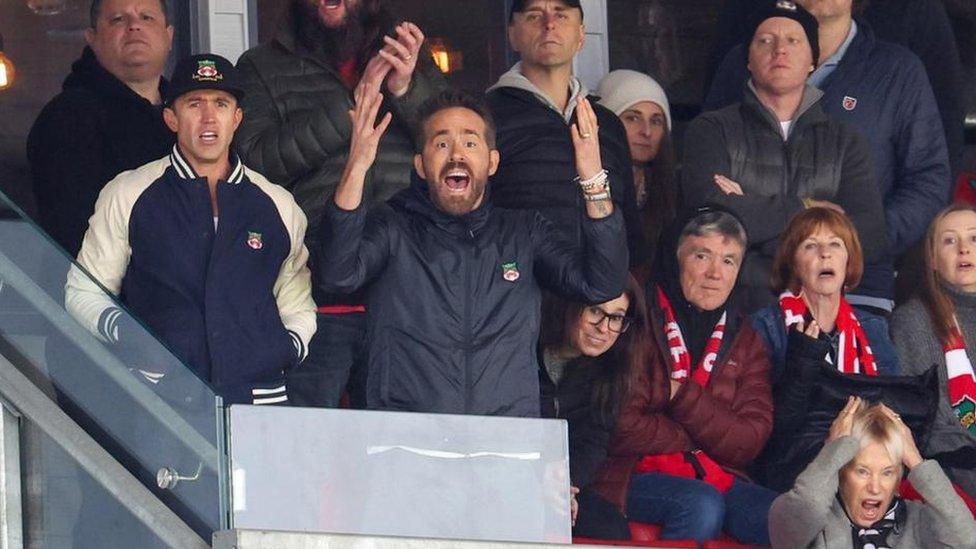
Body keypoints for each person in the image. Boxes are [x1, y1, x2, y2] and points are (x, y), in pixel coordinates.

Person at [318, 86, 627, 416]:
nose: (456, 154)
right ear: (421, 165)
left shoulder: (524, 232)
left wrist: (593, 179)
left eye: (469, 142)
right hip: (407, 437)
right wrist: (357, 166)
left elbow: (601, 283)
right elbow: (337, 274)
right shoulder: (394, 226)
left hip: (505, 437)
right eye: (441, 143)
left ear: (492, 162)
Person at [65, 53, 316, 405]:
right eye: (194, 103)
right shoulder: (128, 192)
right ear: (171, 117)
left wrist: (282, 350)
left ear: (237, 118)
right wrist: (132, 338)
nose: (209, 117)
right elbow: (83, 291)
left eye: (222, 104)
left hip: (259, 400)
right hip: (161, 398)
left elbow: (299, 305)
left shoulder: (278, 204)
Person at [235, 0, 445, 408]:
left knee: (396, 449)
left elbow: (453, 149)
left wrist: (405, 88)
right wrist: (353, 106)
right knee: (305, 447)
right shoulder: (260, 65)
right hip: (308, 295)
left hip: (403, 293)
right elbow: (254, 164)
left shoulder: (406, 59)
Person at [705, 0, 951, 316]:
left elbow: (927, 178)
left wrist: (855, 242)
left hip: (859, 290)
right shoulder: (742, 62)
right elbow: (711, 178)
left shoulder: (897, 70)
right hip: (752, 287)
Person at [681, 0, 886, 312]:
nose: (779, 50)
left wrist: (752, 221)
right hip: (733, 313)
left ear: (812, 61)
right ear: (748, 59)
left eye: (793, 40)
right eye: (765, 40)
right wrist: (808, 210)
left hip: (817, 313)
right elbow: (707, 216)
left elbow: (869, 233)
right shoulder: (712, 129)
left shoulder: (845, 141)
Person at [591, 207, 777, 546]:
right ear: (675, 258)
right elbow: (618, 422)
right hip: (628, 470)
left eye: (729, 261)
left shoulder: (744, 336)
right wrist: (701, 436)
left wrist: (680, 396)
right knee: (699, 504)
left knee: (786, 517)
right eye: (702, 255)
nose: (715, 273)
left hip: (713, 472)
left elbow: (749, 440)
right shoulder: (635, 312)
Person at [486, 0, 644, 267]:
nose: (549, 24)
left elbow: (628, 221)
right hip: (520, 291)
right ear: (512, 35)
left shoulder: (608, 123)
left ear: (581, 35)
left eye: (561, 15)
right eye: (535, 16)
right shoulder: (487, 117)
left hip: (599, 297)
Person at [752, 207, 898, 491]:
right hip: (793, 469)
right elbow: (769, 429)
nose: (825, 254)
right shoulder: (767, 326)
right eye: (810, 245)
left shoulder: (873, 327)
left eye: (835, 244)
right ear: (793, 263)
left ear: (849, 260)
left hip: (865, 463)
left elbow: (890, 405)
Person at [27, 0, 175, 258]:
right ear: (92, 38)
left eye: (147, 18)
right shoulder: (68, 118)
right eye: (118, 19)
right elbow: (76, 232)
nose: (134, 26)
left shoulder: (195, 115)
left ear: (169, 35)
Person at [769, 397, 976, 548]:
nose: (875, 487)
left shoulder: (917, 520)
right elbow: (805, 508)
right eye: (862, 471)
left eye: (887, 472)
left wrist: (915, 459)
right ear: (841, 472)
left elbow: (967, 539)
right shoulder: (816, 523)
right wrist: (832, 451)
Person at [538, 276, 647, 540]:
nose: (604, 328)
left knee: (610, 528)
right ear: (570, 307)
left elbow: (593, 442)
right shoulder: (526, 348)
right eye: (596, 311)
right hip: (513, 474)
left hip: (563, 479)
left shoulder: (611, 370)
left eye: (617, 317)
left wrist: (566, 484)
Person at [891, 202, 976, 498]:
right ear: (934, 260)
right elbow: (925, 419)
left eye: (974, 238)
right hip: (954, 465)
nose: (963, 249)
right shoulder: (913, 320)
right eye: (950, 240)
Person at [596, 70, 678, 278]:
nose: (646, 131)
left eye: (657, 121)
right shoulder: (588, 183)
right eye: (633, 118)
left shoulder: (676, 189)